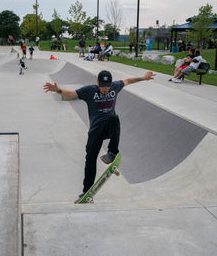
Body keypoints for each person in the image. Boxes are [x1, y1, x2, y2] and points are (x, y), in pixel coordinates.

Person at [43, 70, 156, 203]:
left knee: (114, 118)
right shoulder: (89, 91)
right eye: (102, 87)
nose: (105, 90)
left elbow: (129, 80)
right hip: (95, 131)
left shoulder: (115, 86)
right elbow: (70, 94)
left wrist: (144, 78)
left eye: (107, 87)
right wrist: (58, 90)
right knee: (90, 159)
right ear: (97, 82)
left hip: (109, 126)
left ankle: (112, 152)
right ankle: (86, 191)